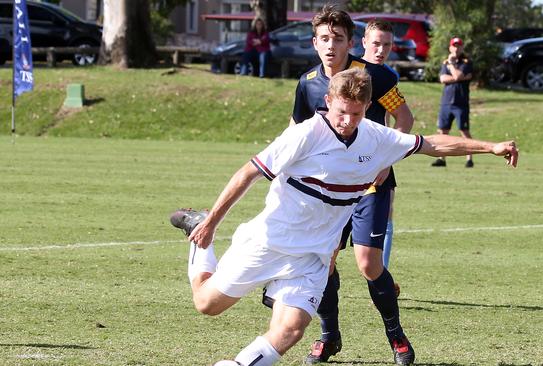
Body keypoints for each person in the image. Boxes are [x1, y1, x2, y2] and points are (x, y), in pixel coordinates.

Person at [172, 67, 519, 366]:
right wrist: (213, 221)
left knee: (291, 330)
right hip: (269, 242)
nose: (347, 121)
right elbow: (247, 173)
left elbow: (432, 144)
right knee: (206, 304)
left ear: (367, 107)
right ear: (328, 102)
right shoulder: (305, 134)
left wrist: (489, 147)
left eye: (355, 114)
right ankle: (199, 230)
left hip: (313, 258)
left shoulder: (376, 137)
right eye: (341, 112)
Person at [291, 6, 417, 365]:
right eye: (324, 39)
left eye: (338, 39)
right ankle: (329, 337)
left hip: (371, 186)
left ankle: (396, 337)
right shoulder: (307, 82)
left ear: (351, 42)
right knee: (325, 262)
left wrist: (385, 160)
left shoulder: (378, 76)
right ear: (315, 42)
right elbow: (296, 132)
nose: (331, 47)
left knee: (368, 264)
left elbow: (404, 118)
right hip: (328, 190)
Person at [361, 18, 399, 271]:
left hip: (378, 157)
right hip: (347, 157)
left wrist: (387, 159)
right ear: (364, 42)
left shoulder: (388, 76)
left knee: (388, 211)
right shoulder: (351, 69)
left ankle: (381, 274)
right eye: (376, 43)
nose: (380, 50)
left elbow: (397, 117)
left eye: (386, 45)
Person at [431, 37, 474, 168]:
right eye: (454, 46)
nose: (456, 48)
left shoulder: (466, 63)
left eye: (458, 46)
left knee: (464, 131)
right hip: (446, 102)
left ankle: (469, 159)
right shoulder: (445, 62)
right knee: (443, 131)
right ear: (450, 48)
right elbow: (443, 78)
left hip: (460, 103)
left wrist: (451, 66)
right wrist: (456, 76)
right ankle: (441, 158)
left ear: (462, 48)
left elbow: (457, 76)